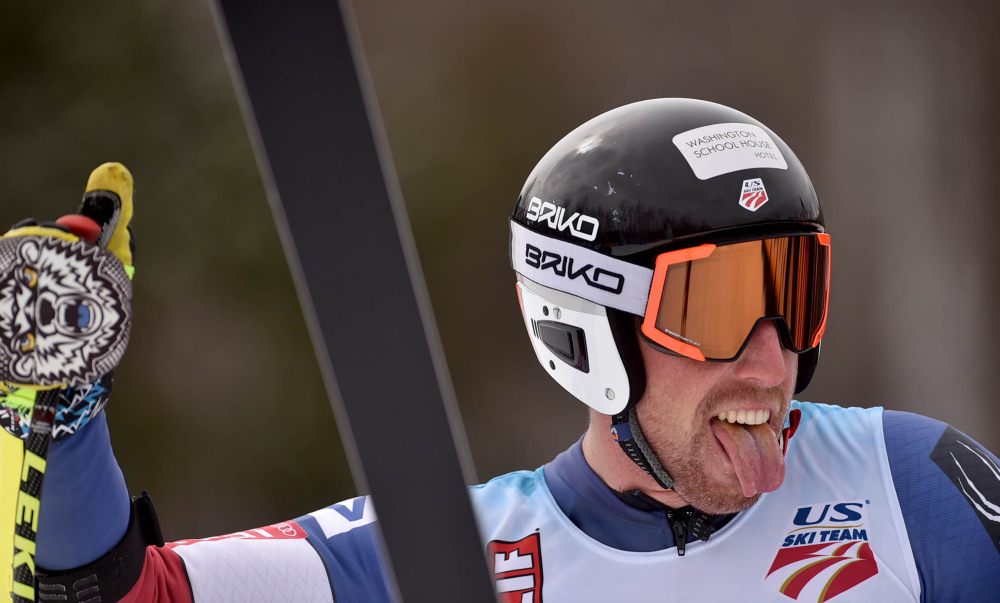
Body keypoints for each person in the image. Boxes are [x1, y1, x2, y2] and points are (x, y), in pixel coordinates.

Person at [3, 99, 999, 602]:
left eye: (792, 294)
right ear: (589, 333)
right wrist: (66, 405)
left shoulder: (908, 487)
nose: (770, 362)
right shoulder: (460, 551)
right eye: (719, 308)